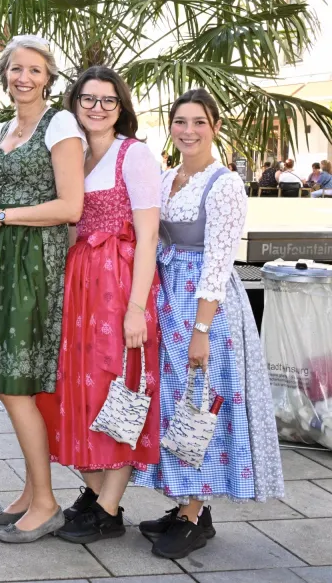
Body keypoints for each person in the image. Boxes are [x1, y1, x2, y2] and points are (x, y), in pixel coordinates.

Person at [132, 89, 284, 559]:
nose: (189, 130)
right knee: (177, 403)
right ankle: (187, 506)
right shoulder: (167, 177)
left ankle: (195, 514)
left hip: (205, 308)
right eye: (180, 121)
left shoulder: (225, 184)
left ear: (215, 126)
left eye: (199, 121)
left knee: (201, 402)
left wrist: (202, 330)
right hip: (168, 300)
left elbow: (218, 262)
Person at [0, 35, 85, 543]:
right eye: (16, 69)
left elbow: (70, 207)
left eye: (35, 70)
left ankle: (46, 502)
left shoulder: (60, 124)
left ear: (49, 76)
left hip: (37, 261)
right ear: (5, 75)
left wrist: (3, 216)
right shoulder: (0, 127)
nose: (24, 78)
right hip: (1, 261)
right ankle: (30, 490)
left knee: (19, 388)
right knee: (11, 386)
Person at [36, 67, 162, 544]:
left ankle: (107, 509)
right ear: (75, 103)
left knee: (120, 386)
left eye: (108, 100)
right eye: (88, 99)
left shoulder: (136, 154)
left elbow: (148, 235)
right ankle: (97, 495)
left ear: (121, 107)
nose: (97, 107)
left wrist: (135, 308)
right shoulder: (78, 155)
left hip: (121, 280)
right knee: (85, 393)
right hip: (82, 282)